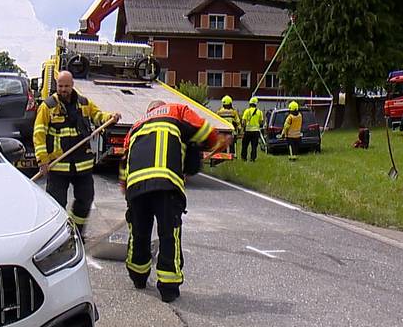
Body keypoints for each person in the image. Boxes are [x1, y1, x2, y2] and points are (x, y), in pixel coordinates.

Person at [120, 100, 222, 302]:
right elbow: (203, 131)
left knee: (139, 233)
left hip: (137, 186)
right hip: (166, 185)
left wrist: (127, 190)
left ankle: (138, 277)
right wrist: (216, 141)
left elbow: (125, 160)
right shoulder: (177, 111)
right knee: (169, 235)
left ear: (148, 111)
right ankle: (168, 288)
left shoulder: (135, 127)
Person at [34, 70, 120, 233]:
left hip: (82, 166)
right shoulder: (48, 106)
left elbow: (98, 115)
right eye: (60, 86)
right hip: (58, 166)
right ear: (56, 86)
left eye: (66, 86)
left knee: (85, 199)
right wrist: (42, 160)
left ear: (72, 85)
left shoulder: (84, 103)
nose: (63, 89)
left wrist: (110, 117)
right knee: (56, 206)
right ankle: (56, 236)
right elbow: (39, 134)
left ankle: (76, 232)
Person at [240, 97, 264, 162]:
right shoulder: (259, 112)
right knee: (254, 146)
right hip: (256, 131)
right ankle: (252, 158)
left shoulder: (247, 111)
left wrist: (243, 128)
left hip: (247, 131)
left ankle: (244, 158)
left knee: (244, 145)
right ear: (256, 104)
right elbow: (261, 122)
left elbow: (243, 121)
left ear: (250, 103)